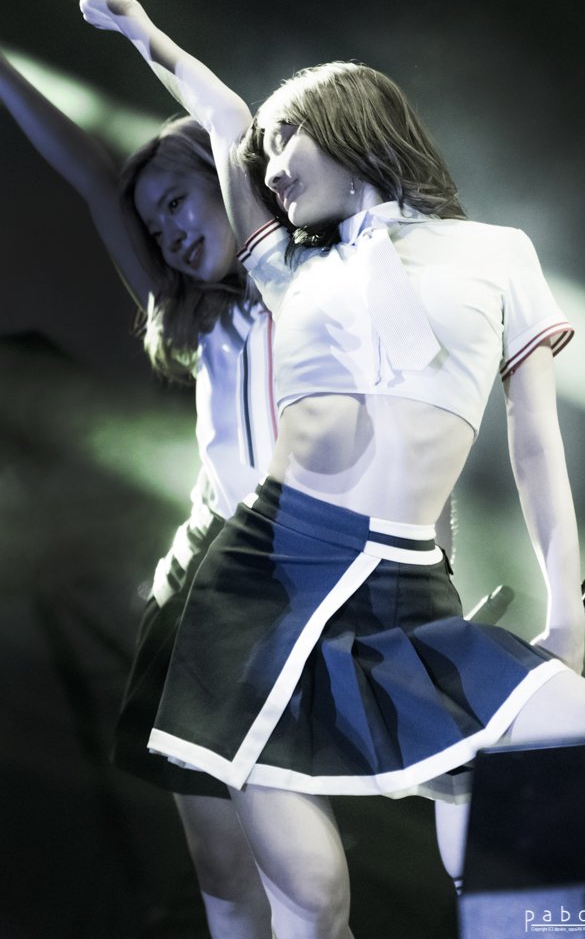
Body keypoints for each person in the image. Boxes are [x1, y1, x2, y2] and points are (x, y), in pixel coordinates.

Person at [79, 0, 585, 939]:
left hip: (403, 586)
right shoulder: (287, 264)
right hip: (262, 580)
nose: (267, 166)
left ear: (349, 124)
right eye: (261, 153)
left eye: (285, 141)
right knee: (312, 897)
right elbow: (221, 116)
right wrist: (141, 32)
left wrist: (563, 618)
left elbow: (534, 444)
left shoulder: (496, 253)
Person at [0, 49, 277, 939]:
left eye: (177, 204)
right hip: (201, 601)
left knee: (308, 865)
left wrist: (143, 36)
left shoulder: (315, 288)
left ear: (228, 183)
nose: (167, 235)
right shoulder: (202, 318)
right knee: (226, 870)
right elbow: (91, 176)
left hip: (301, 589)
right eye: (153, 228)